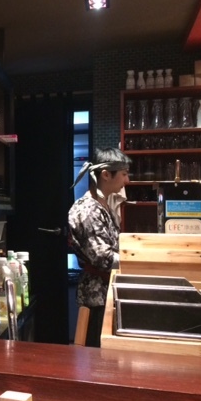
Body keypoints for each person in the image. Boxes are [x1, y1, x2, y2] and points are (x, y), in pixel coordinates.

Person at [68, 147, 131, 347]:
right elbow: (102, 257)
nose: (127, 181)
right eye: (124, 174)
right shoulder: (88, 209)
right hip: (97, 298)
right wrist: (139, 261)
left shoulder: (103, 204)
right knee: (99, 356)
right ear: (105, 174)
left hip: (107, 293)